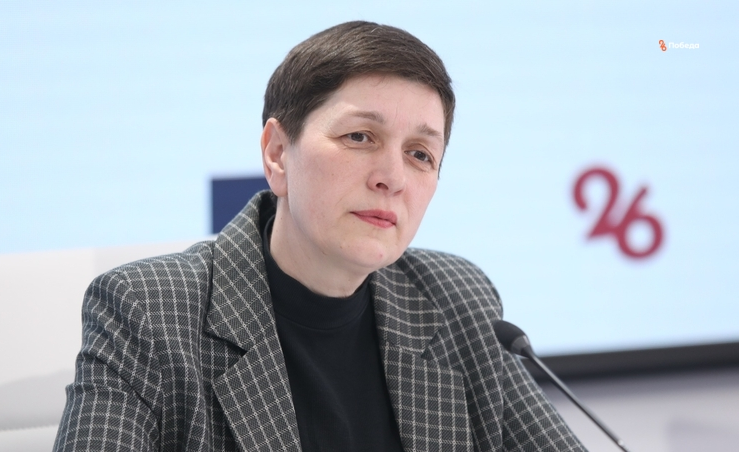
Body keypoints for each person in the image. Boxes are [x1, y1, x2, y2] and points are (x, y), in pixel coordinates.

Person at [54, 21, 586, 452]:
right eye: (360, 136)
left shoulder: (456, 299)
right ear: (277, 154)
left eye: (420, 154)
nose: (393, 177)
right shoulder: (147, 311)